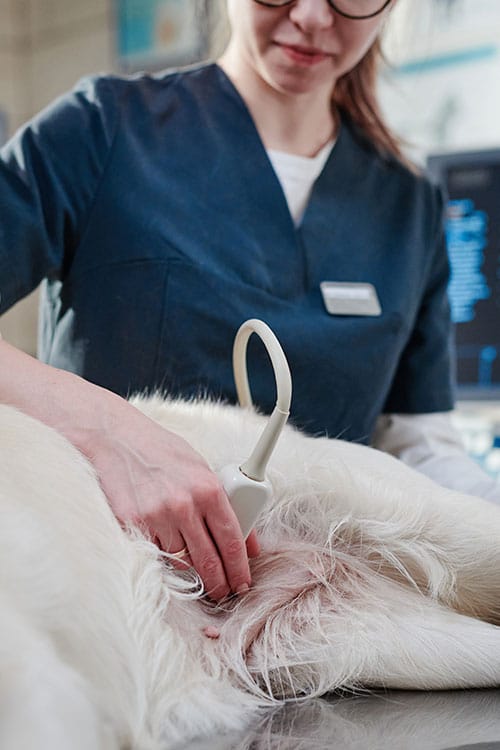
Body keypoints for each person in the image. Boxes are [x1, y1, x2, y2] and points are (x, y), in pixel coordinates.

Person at [0, 0, 498, 600]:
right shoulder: (101, 131)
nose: (313, 17)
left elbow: (419, 447)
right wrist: (107, 431)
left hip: (321, 617)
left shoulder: (408, 204)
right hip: (111, 591)